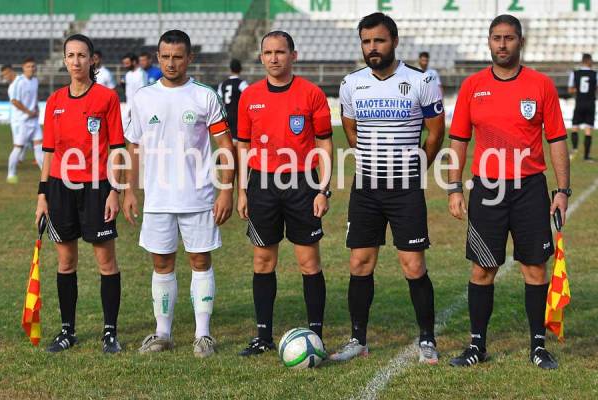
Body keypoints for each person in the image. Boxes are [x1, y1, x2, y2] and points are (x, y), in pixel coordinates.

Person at [447, 14, 570, 370]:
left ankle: (538, 346)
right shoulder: (473, 86)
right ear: (489, 41)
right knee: (482, 269)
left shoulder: (541, 85)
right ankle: (477, 345)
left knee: (535, 268)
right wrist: (454, 187)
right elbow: (459, 141)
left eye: (509, 38)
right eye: (496, 38)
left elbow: (556, 139)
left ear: (521, 42)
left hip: (530, 188)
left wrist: (562, 190)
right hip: (488, 189)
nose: (502, 44)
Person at [330, 13, 445, 365]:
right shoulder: (351, 83)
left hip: (405, 189)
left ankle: (427, 339)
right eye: (366, 42)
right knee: (360, 263)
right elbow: (350, 130)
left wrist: (417, 167)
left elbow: (435, 133)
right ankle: (358, 340)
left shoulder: (421, 80)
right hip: (366, 187)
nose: (372, 48)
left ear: (394, 41)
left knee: (413, 265)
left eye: (378, 40)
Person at [123, 30, 235, 358]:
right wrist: (129, 190)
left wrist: (226, 190)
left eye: (177, 57)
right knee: (161, 263)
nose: (171, 63)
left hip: (198, 196)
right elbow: (133, 148)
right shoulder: (143, 97)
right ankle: (162, 333)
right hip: (157, 198)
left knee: (200, 260)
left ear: (189, 58)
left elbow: (225, 146)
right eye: (165, 57)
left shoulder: (204, 96)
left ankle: (203, 334)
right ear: (158, 58)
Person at [236, 31, 333, 356]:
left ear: (294, 55)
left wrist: (323, 189)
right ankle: (263, 336)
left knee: (308, 261)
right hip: (262, 185)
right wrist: (242, 190)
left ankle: (316, 334)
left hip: (302, 184)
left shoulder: (311, 93)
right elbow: (243, 146)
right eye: (268, 52)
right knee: (263, 260)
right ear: (261, 57)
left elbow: (324, 144)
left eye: (280, 52)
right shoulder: (249, 96)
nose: (274, 58)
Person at [35, 34, 126, 353]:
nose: (76, 61)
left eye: (82, 55)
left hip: (97, 188)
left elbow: (117, 148)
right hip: (60, 188)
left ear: (92, 60)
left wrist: (115, 190)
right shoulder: (55, 101)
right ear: (64, 60)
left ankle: (110, 332)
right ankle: (67, 331)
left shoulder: (106, 98)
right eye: (71, 55)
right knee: (66, 262)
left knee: (106, 261)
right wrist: (42, 194)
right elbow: (48, 152)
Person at [2, 59, 43, 183]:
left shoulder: (35, 81)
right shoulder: (18, 82)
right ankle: (11, 174)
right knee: (18, 148)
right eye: (28, 66)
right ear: (23, 68)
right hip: (22, 122)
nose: (31, 68)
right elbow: (14, 101)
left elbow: (34, 96)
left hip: (33, 120)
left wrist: (36, 108)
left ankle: (46, 175)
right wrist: (28, 112)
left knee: (39, 146)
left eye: (33, 66)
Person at [568, 53, 597, 161]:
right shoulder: (595, 74)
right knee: (588, 129)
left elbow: (570, 90)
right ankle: (586, 156)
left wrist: (578, 90)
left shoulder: (574, 73)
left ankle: (574, 149)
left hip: (579, 103)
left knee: (575, 126)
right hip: (590, 103)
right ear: (589, 61)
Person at [217, 59, 248, 144]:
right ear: (240, 69)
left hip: (225, 116)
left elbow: (218, 101)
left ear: (230, 69)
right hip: (237, 117)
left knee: (226, 143)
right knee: (238, 143)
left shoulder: (222, 84)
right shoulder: (242, 84)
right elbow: (249, 98)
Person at [120, 53, 147, 131]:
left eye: (127, 63)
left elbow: (142, 92)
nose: (125, 66)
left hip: (138, 106)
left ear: (134, 62)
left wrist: (135, 109)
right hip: (128, 105)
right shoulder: (128, 74)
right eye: (124, 63)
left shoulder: (141, 74)